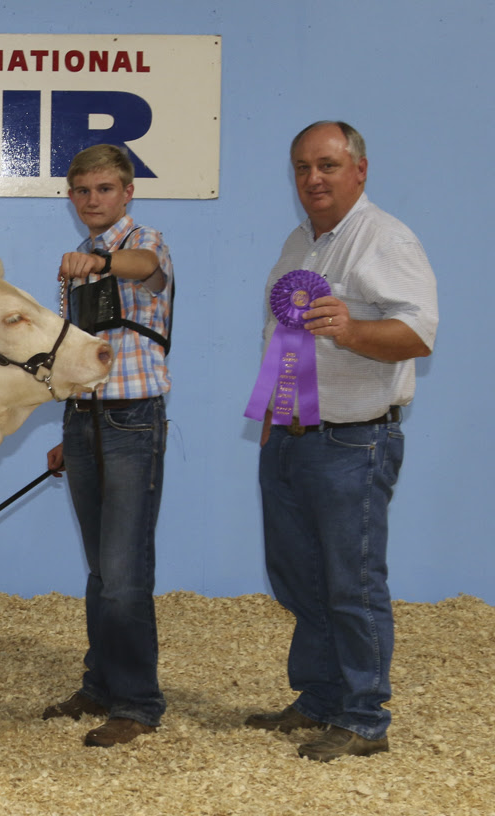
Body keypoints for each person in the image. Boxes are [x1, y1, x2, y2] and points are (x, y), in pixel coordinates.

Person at [245, 121, 438, 761]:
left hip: (354, 441)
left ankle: (364, 718)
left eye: (327, 165)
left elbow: (418, 333)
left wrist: (352, 331)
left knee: (352, 584)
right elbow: (286, 339)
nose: (314, 179)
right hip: (292, 436)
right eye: (302, 167)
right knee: (299, 579)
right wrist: (273, 413)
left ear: (360, 169)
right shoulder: (302, 240)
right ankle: (320, 697)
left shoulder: (385, 240)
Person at [41, 144, 173, 747]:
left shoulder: (146, 242)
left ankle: (138, 701)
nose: (92, 200)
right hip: (84, 420)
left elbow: (146, 267)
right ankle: (100, 683)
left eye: (104, 190)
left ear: (127, 192)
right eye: (82, 191)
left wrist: (101, 263)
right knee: (101, 571)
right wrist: (68, 428)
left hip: (131, 424)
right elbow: (75, 352)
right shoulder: (75, 263)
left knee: (123, 573)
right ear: (71, 196)